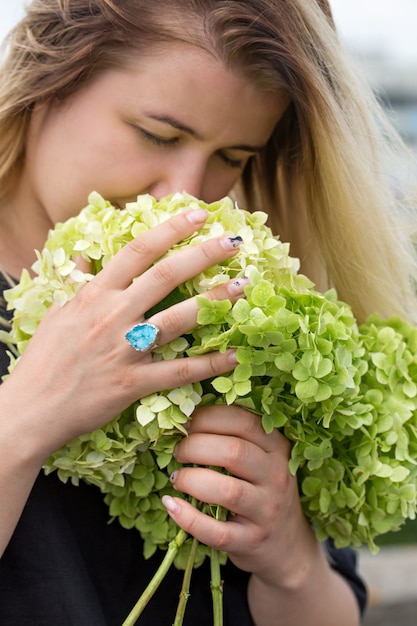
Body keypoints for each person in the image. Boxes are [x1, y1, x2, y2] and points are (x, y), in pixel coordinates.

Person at [0, 0, 415, 624]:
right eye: (159, 134)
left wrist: (292, 563)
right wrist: (25, 420)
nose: (187, 196)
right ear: (48, 81)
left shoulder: (241, 314)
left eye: (233, 157)